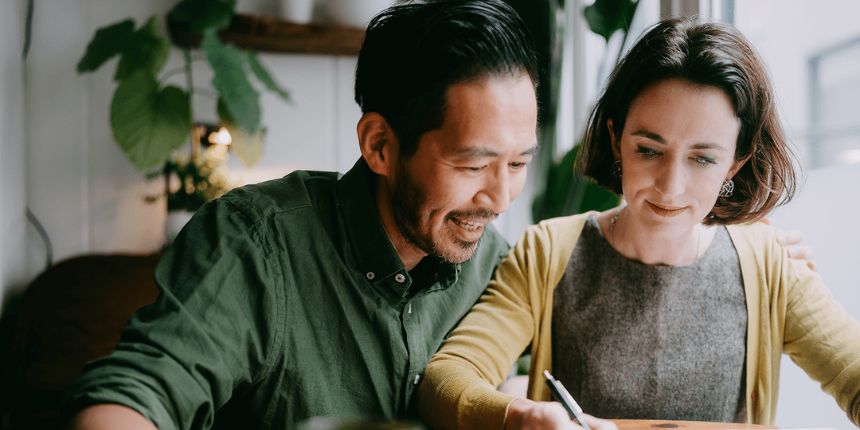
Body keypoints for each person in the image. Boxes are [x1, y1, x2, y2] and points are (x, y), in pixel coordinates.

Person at [60, 2, 542, 429]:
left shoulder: (499, 266)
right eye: (473, 165)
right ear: (380, 146)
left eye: (519, 163)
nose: (500, 199)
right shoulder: (255, 243)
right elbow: (137, 393)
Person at [417, 16, 860, 430]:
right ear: (616, 140)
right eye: (649, 150)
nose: (670, 187)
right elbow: (446, 381)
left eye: (703, 158)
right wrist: (520, 416)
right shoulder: (547, 253)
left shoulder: (771, 263)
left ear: (734, 165)